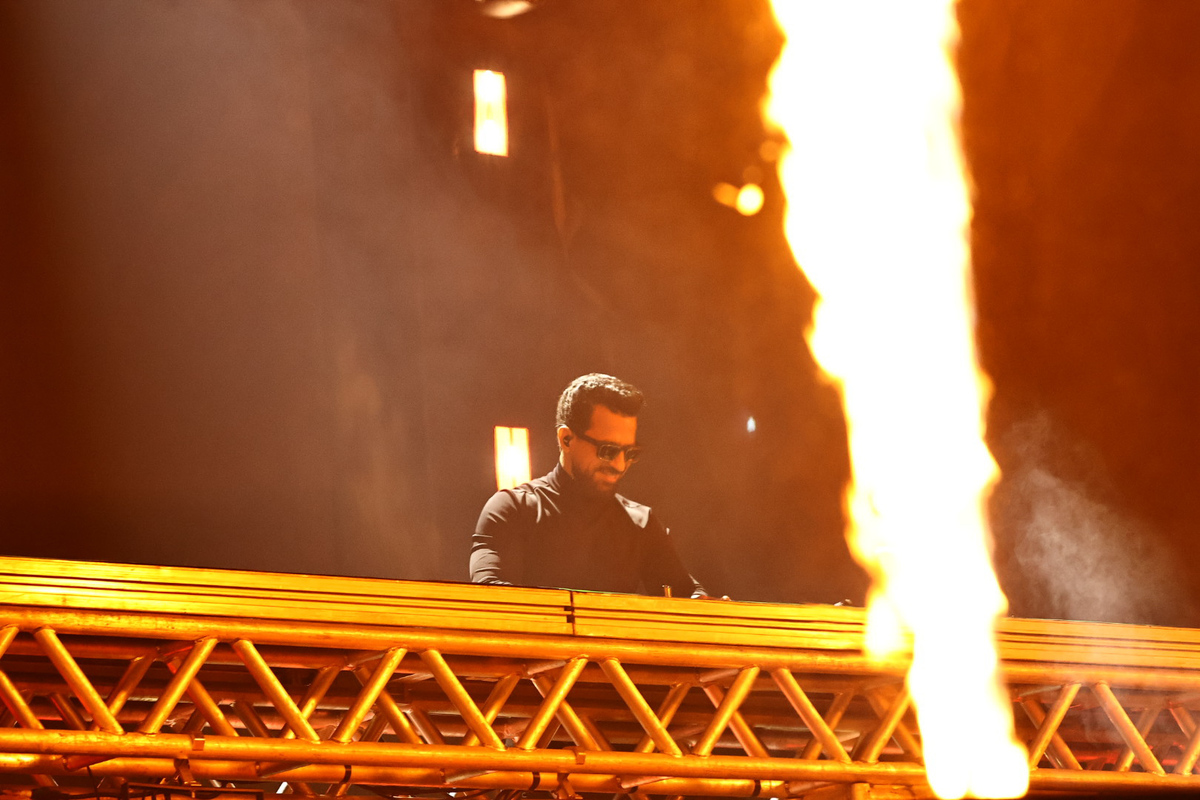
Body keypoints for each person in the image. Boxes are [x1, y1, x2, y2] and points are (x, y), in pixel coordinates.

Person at [470, 373, 705, 597]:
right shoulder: (512, 510)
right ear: (566, 439)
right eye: (607, 451)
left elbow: (688, 597)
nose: (619, 465)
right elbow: (491, 598)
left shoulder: (641, 523)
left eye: (629, 453)